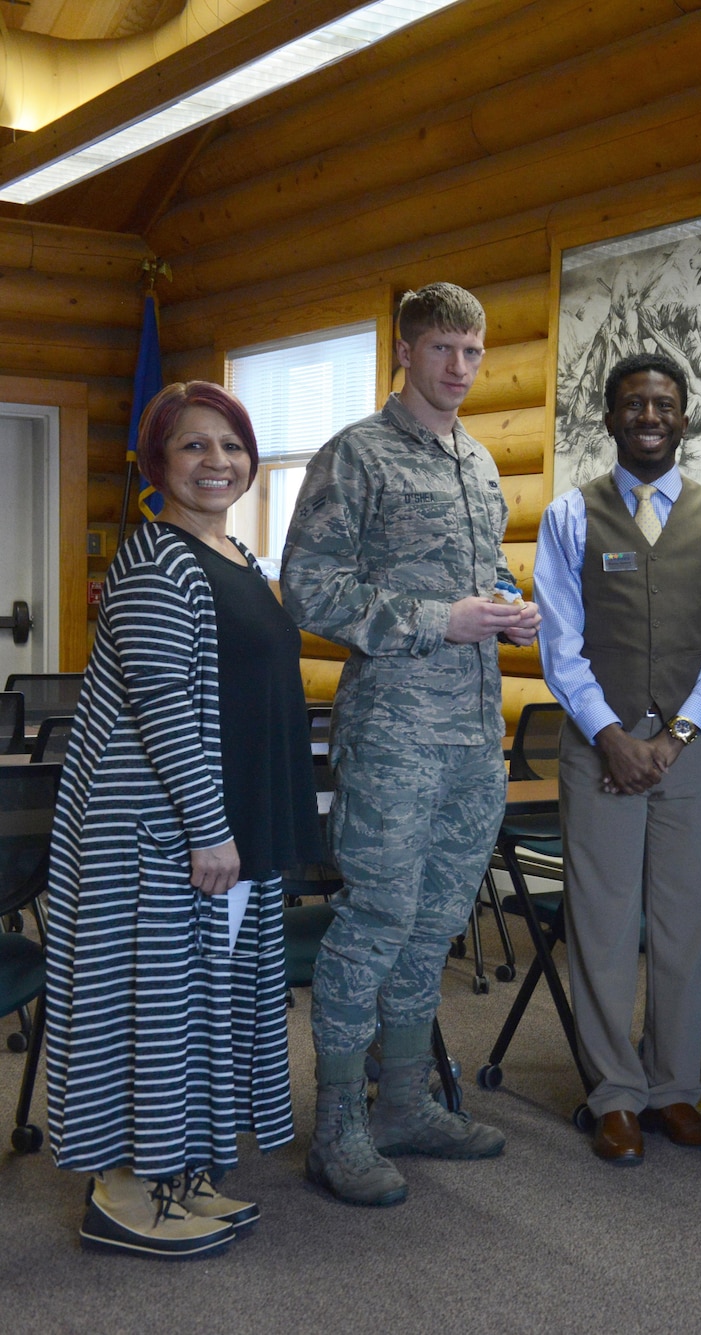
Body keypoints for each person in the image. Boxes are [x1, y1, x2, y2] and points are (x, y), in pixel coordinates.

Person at [42, 382, 319, 1258]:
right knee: (150, 1009)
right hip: (159, 835)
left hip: (223, 828)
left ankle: (178, 1171)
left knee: (201, 1005)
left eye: (231, 445)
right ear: (156, 461)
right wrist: (208, 827)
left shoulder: (234, 552)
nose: (217, 463)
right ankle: (122, 1193)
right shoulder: (159, 563)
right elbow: (162, 709)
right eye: (193, 447)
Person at [283, 282, 541, 1206]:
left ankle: (404, 1101)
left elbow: (479, 577)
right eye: (443, 350)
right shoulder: (357, 454)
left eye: (473, 352)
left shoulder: (475, 460)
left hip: (473, 734)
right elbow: (308, 588)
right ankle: (339, 1124)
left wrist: (508, 609)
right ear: (405, 349)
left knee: (436, 926)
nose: (460, 369)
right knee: (377, 921)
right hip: (393, 733)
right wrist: (441, 617)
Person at [534, 351, 701, 1164]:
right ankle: (615, 1093)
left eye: (663, 404)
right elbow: (560, 643)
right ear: (611, 416)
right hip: (600, 750)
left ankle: (674, 1089)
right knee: (601, 919)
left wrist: (679, 736)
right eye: (633, 404)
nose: (649, 416)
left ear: (684, 417)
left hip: (690, 751)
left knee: (684, 919)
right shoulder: (570, 517)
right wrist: (612, 736)